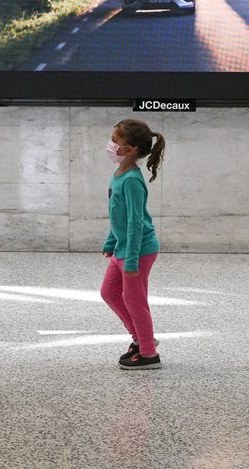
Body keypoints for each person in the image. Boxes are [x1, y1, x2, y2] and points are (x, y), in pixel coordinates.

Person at [100, 119, 166, 370]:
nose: (110, 145)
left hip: (138, 251)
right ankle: (142, 338)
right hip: (123, 248)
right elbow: (118, 215)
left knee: (135, 301)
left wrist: (131, 258)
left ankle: (149, 354)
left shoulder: (131, 181)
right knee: (109, 293)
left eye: (115, 141)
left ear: (131, 150)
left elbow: (136, 222)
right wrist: (111, 240)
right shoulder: (119, 174)